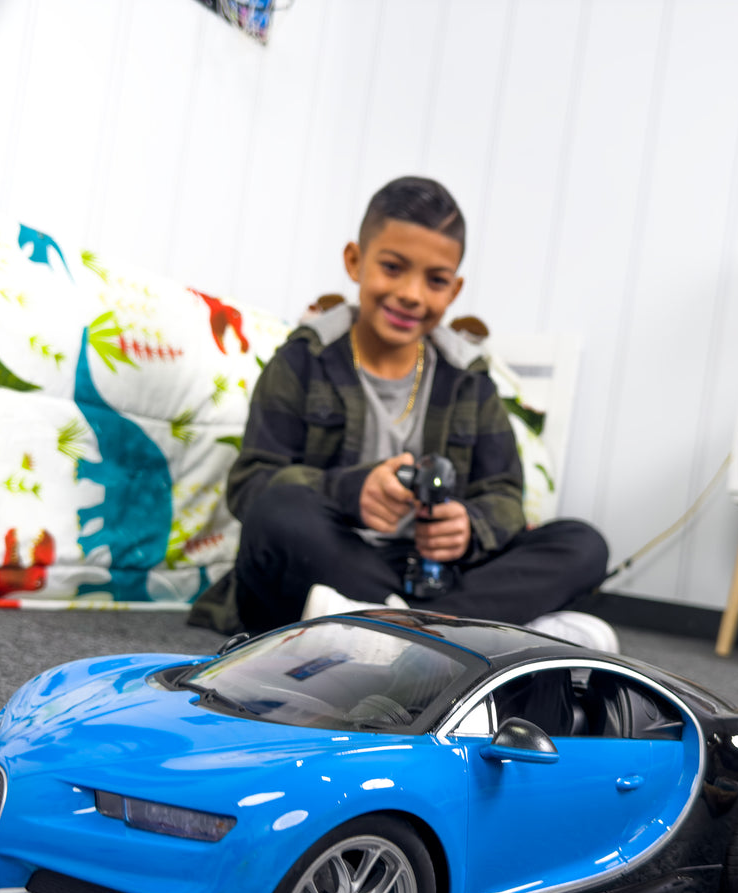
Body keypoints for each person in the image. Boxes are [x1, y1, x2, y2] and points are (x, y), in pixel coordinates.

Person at [189, 176, 616, 651]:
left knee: (583, 544)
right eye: (393, 268)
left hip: (434, 576)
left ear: (454, 290)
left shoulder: (469, 380)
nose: (413, 294)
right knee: (278, 513)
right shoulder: (302, 361)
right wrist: (350, 492)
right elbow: (252, 485)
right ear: (355, 261)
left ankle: (397, 632)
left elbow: (503, 496)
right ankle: (467, 634)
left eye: (436, 280)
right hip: (336, 562)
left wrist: (469, 527)